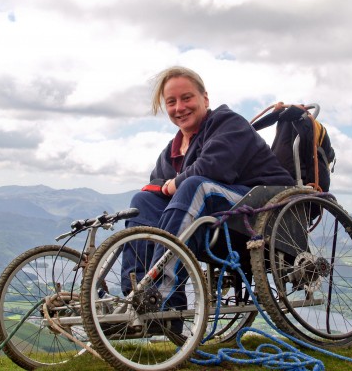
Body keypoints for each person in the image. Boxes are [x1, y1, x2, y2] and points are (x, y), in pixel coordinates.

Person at [120, 66, 294, 325]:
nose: (180, 107)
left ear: (205, 99)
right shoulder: (176, 147)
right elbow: (156, 183)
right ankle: (140, 298)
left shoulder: (228, 123)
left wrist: (173, 184)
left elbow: (212, 168)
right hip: (215, 216)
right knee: (142, 202)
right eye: (171, 101)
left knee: (195, 186)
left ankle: (157, 296)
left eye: (187, 98)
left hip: (263, 205)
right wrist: (167, 186)